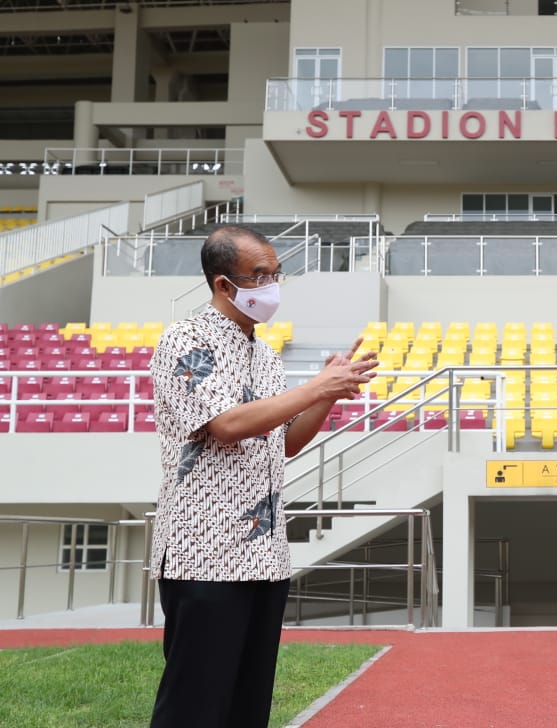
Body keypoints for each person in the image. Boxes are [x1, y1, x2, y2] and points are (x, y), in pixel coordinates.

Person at [148, 225, 379, 728]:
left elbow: (287, 441)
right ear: (222, 284)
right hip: (202, 553)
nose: (271, 285)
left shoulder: (265, 355)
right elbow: (227, 425)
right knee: (195, 704)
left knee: (247, 704)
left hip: (263, 553)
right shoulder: (186, 338)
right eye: (258, 276)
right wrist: (315, 384)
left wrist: (324, 395)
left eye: (275, 274)